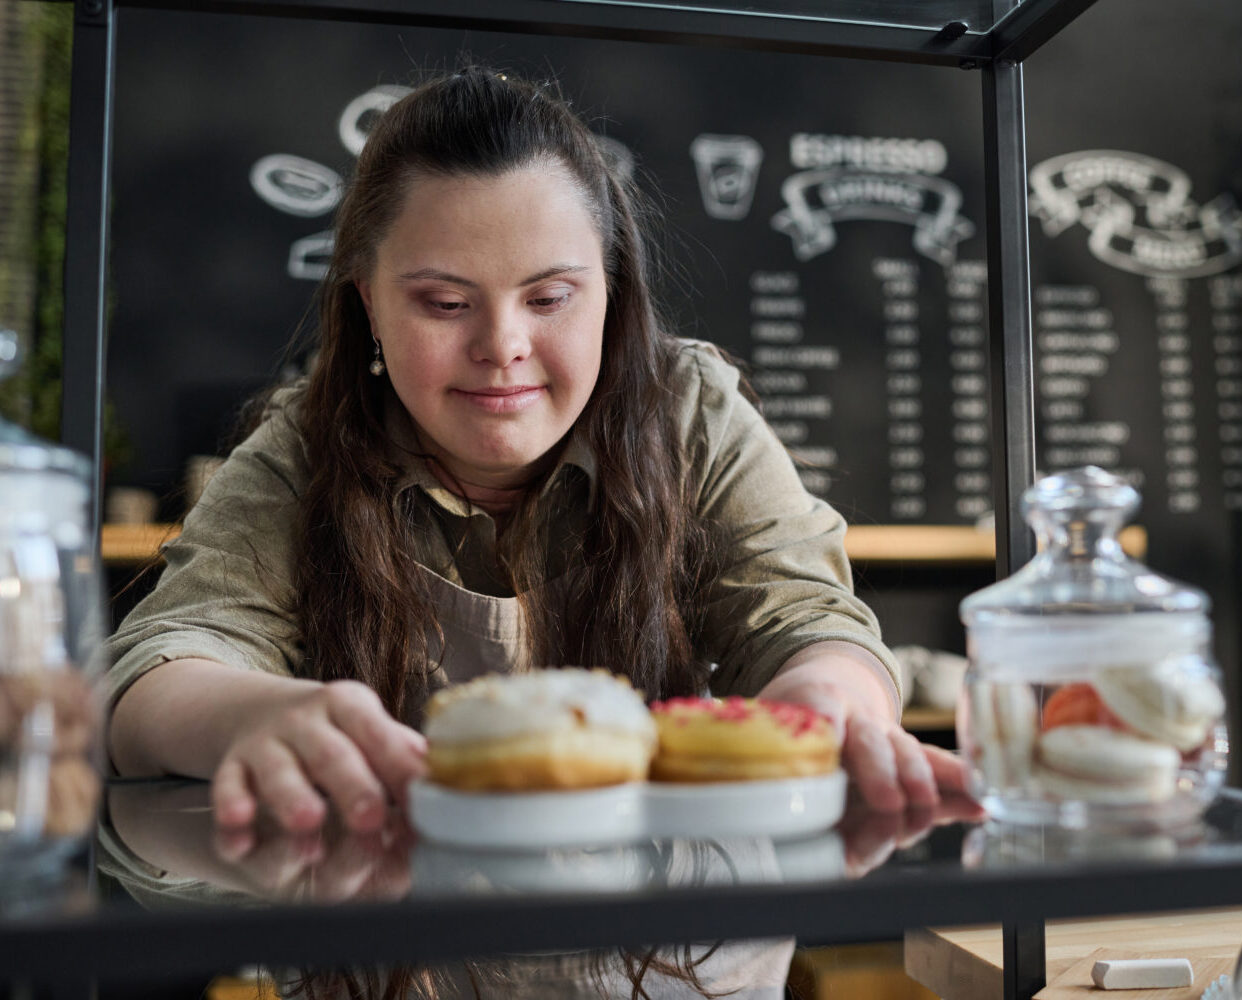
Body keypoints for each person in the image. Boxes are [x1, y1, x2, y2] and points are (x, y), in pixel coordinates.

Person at [104, 65, 969, 837]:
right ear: (368, 301)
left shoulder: (689, 412)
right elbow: (163, 663)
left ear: (611, 293)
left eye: (549, 297)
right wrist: (251, 715)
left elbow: (802, 620)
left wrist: (829, 701)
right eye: (445, 303)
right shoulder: (305, 445)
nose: (502, 344)